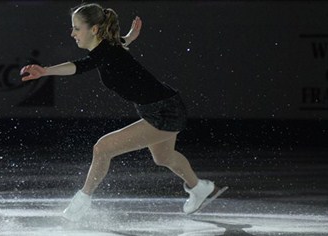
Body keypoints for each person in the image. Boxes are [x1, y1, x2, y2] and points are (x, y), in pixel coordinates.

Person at [20, 3, 227, 221]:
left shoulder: (105, 53)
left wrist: (45, 71)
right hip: (163, 106)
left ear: (94, 29)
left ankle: (82, 200)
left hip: (166, 111)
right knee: (163, 157)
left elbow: (80, 66)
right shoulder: (107, 49)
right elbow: (118, 44)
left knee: (102, 148)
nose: (72, 33)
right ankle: (198, 188)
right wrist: (129, 36)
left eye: (76, 28)